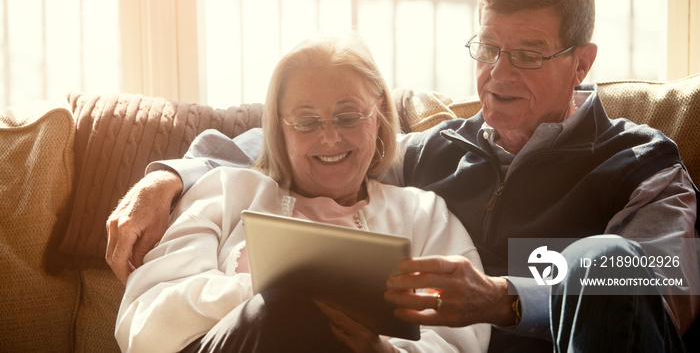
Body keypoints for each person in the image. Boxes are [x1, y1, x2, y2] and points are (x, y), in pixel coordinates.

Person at [107, 0, 700, 352]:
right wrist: (169, 176)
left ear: (582, 62)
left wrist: (504, 297)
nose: (497, 74)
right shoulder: (431, 155)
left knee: (608, 257)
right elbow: (310, 146)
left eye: (528, 53)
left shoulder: (643, 161)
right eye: (489, 48)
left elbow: (663, 290)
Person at [114, 35, 491, 352]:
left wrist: (385, 350)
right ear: (280, 127)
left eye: (348, 117)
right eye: (307, 122)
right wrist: (274, 292)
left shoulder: (423, 216)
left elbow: (463, 338)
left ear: (377, 114)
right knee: (278, 309)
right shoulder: (226, 192)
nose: (329, 138)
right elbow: (143, 323)